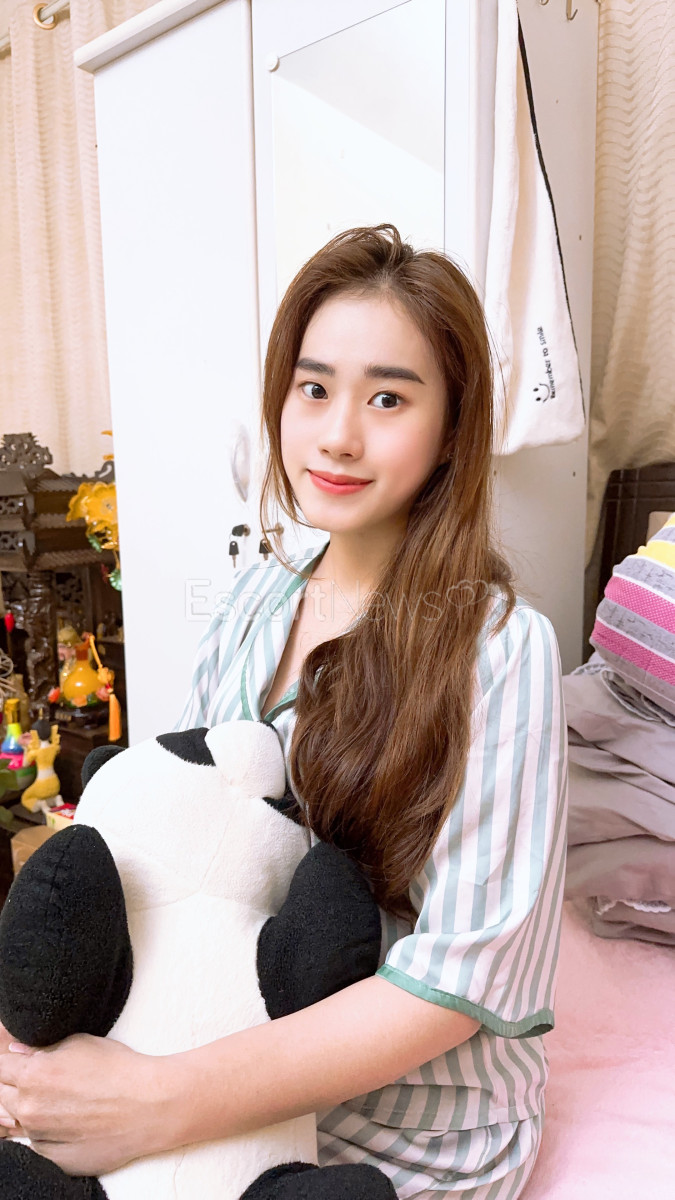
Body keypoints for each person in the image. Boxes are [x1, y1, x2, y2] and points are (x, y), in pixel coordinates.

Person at [0, 225, 568, 1199]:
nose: (338, 435)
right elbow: (167, 836)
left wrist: (159, 1101)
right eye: (313, 388)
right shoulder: (260, 592)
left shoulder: (503, 650)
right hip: (210, 1048)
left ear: (451, 428)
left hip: (408, 1127)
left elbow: (459, 982)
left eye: (388, 398)